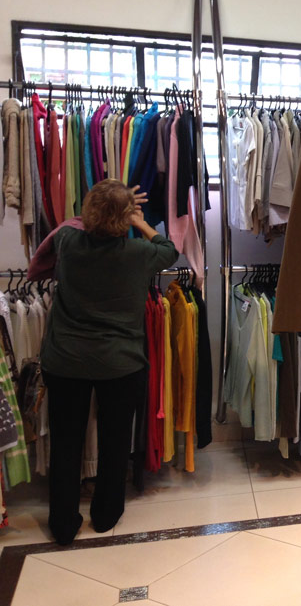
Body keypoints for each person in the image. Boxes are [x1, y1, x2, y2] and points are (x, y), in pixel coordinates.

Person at [29, 179, 179, 545]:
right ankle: (106, 514)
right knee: (115, 441)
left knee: (66, 442)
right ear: (125, 219)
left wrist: (109, 206)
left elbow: (72, 224)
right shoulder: (139, 254)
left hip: (66, 361)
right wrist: (139, 221)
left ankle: (63, 524)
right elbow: (169, 250)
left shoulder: (67, 242)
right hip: (120, 364)